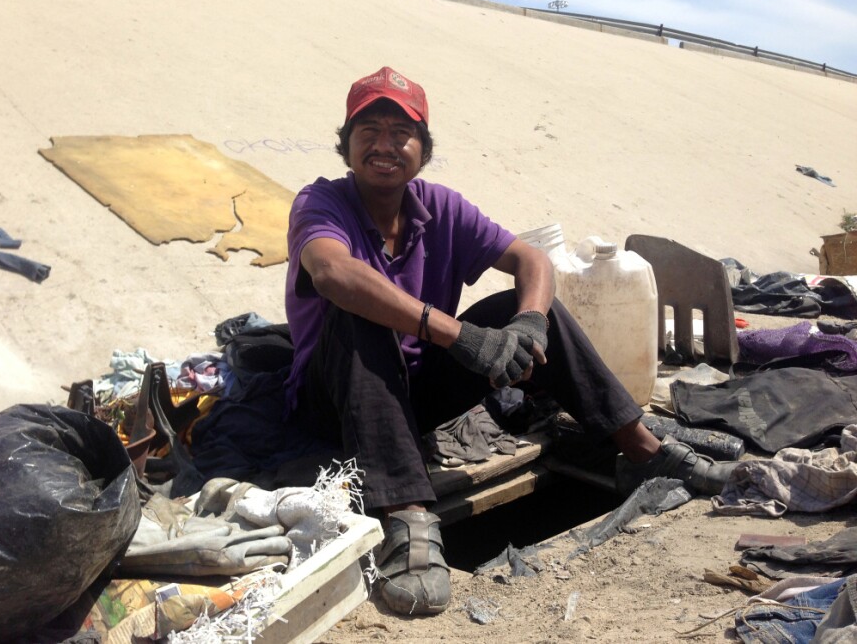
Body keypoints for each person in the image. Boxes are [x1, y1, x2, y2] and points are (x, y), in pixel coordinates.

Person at [284, 66, 734, 616]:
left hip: (412, 396)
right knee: (360, 312)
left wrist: (528, 325)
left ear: (422, 149)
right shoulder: (320, 203)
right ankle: (406, 512)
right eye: (368, 131)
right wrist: (457, 335)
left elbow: (531, 259)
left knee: (519, 308)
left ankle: (642, 451)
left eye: (401, 133)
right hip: (332, 398)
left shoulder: (439, 206)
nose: (384, 145)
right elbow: (334, 275)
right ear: (346, 144)